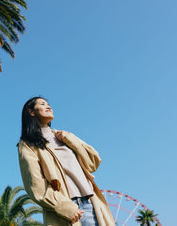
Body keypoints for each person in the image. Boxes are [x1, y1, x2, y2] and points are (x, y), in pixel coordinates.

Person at [17, 97, 115, 226]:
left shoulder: (64, 136)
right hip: (67, 208)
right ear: (31, 112)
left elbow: (93, 162)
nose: (48, 107)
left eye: (48, 104)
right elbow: (36, 185)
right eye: (42, 104)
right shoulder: (28, 145)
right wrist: (65, 207)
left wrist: (70, 139)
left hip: (90, 202)